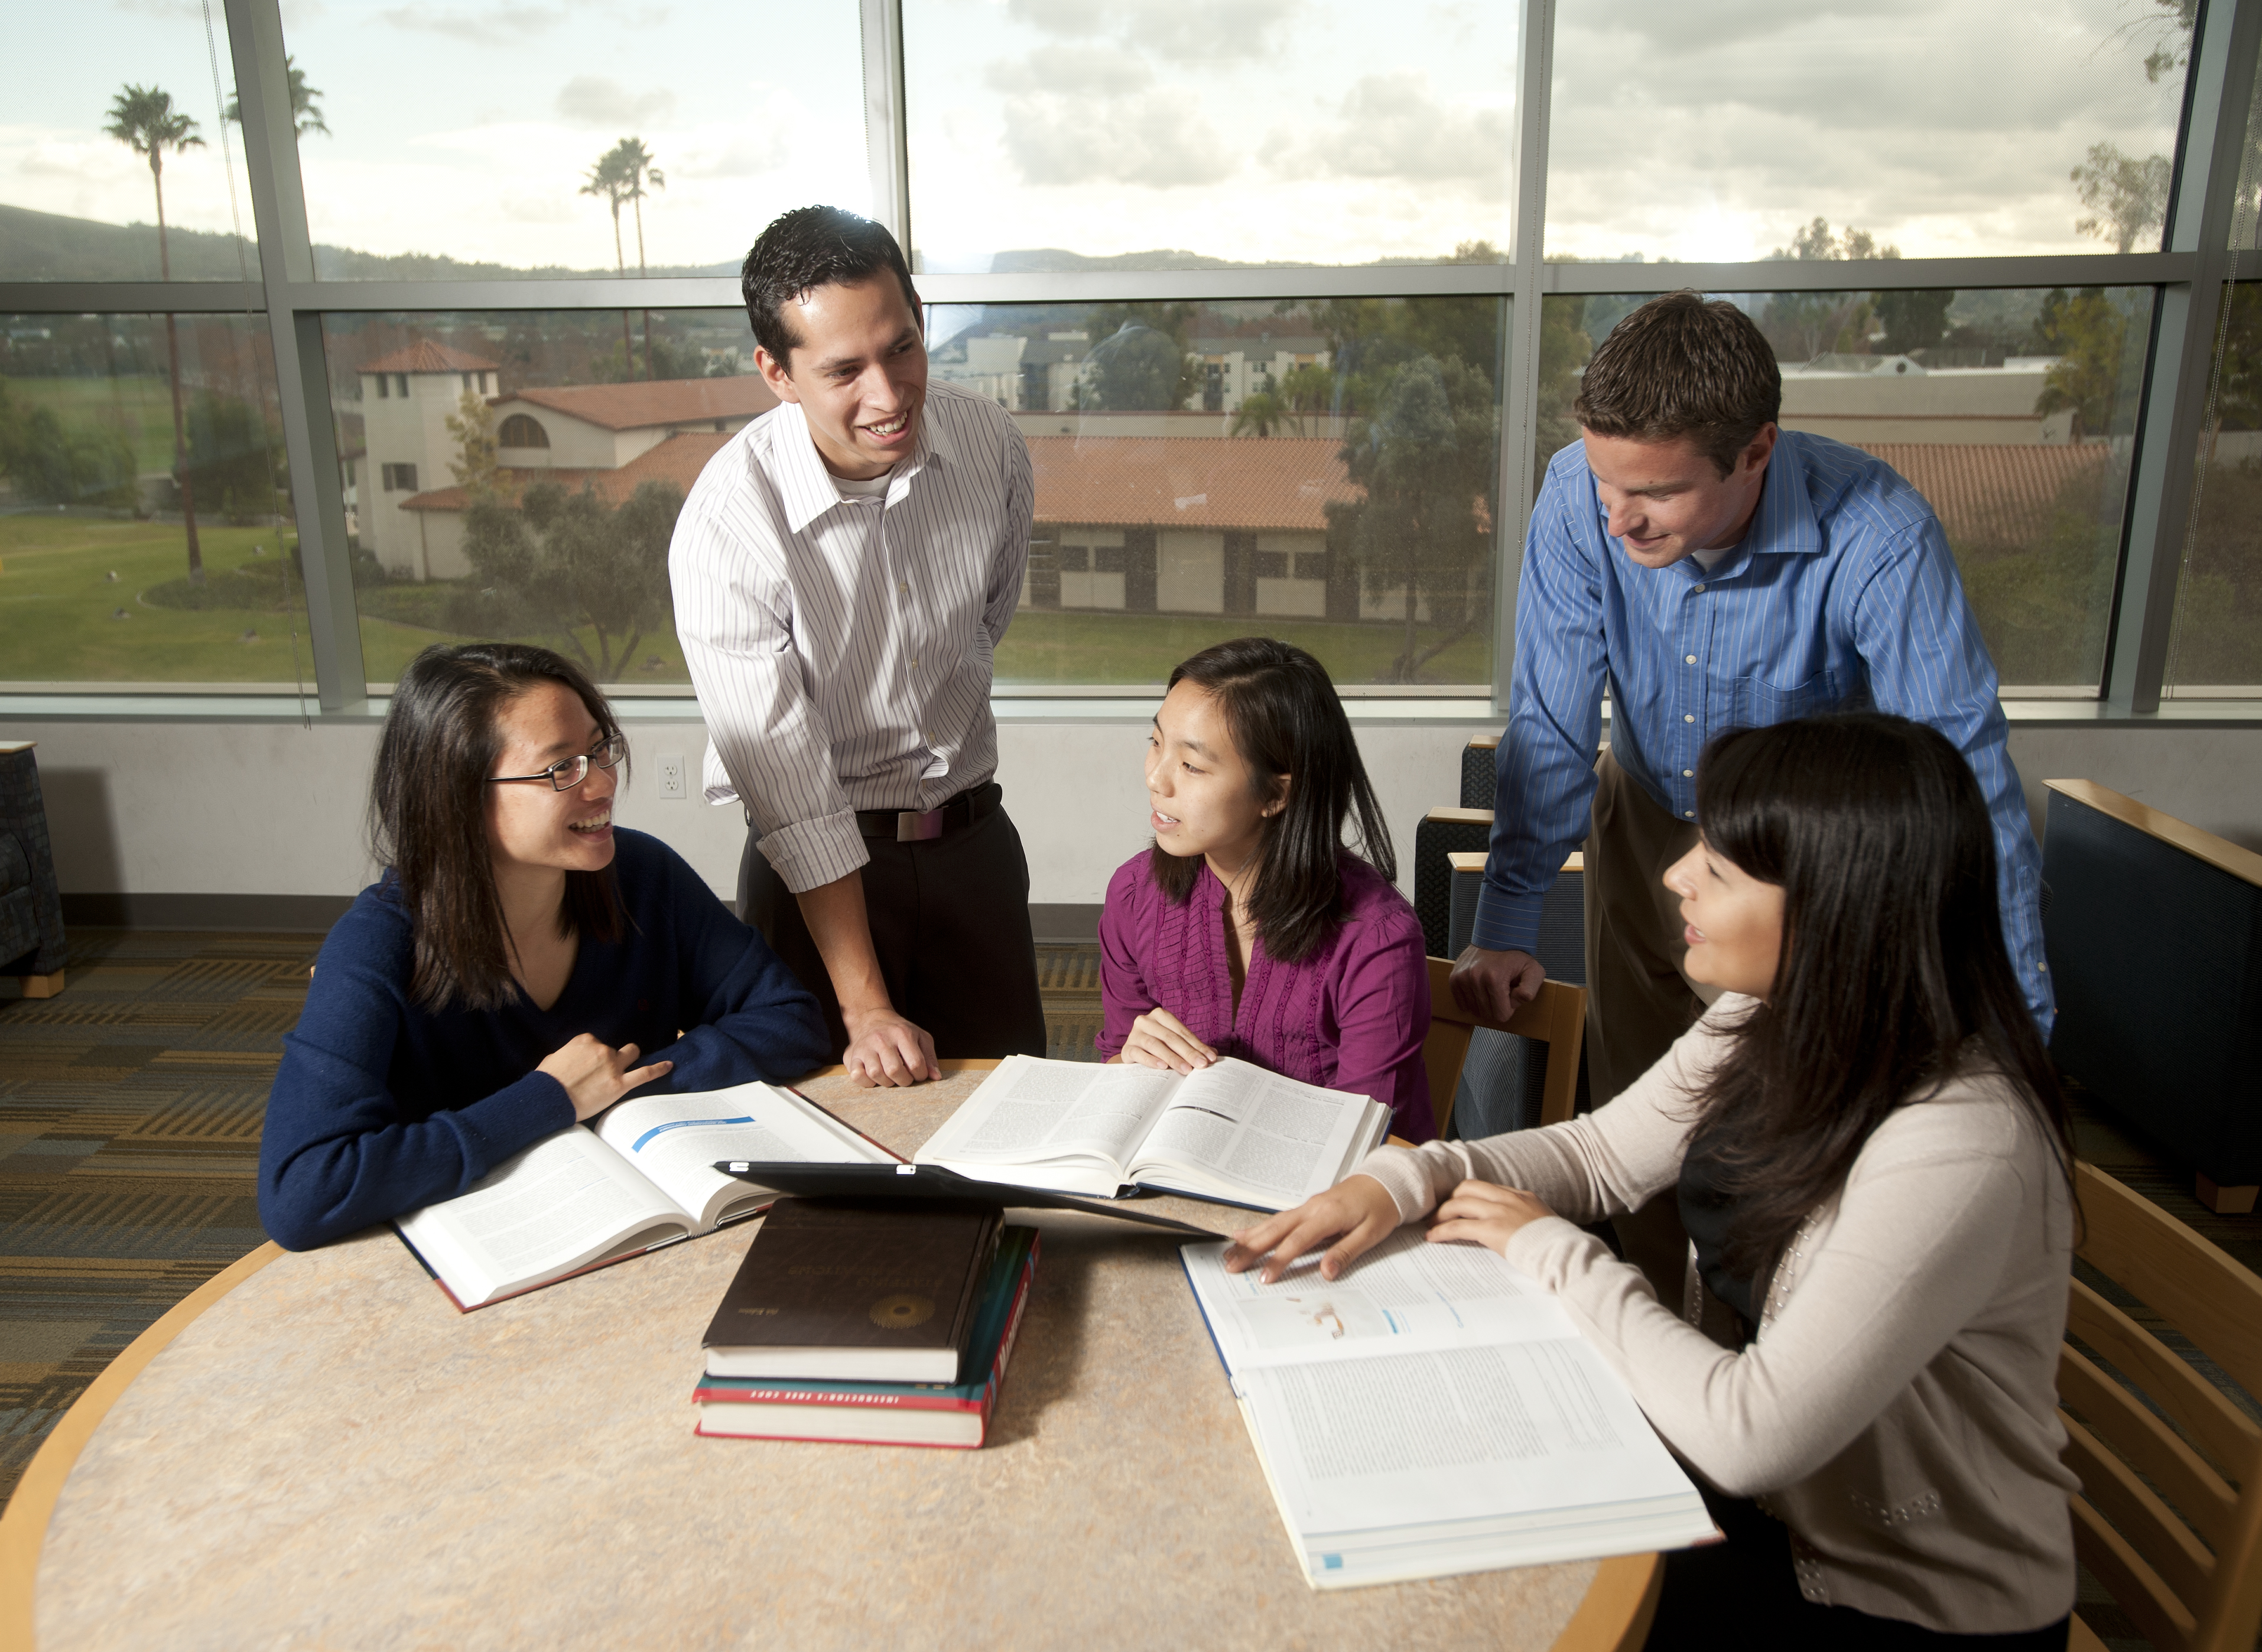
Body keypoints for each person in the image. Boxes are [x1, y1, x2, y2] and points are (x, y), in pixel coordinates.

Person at [1227, 713, 2077, 1648]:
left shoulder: (1961, 1142)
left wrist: (1548, 1248)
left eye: (1719, 865)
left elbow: (1751, 1434)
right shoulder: (1765, 1017)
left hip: (1897, 1597)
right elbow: (1598, 1155)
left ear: (1842, 903)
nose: (1677, 873)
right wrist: (1407, 1179)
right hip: (1765, 1516)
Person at [1452, 290, 2053, 1297]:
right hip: (1640, 817)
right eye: (1605, 481)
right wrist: (1508, 917)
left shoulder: (1881, 536)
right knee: (1631, 1116)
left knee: (1773, 1159)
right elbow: (1551, 719)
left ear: (1754, 451)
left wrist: (2017, 1051)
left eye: (1656, 492)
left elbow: (1970, 797)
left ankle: (1765, 1367)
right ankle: (1630, 1366)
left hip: (1793, 871)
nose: (1617, 516)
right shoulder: (1576, 494)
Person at [258, 643, 829, 1250]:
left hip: (632, 1225)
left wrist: (615, 1085)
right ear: (458, 795)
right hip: (473, 1253)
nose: (603, 781)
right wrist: (550, 1100)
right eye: (562, 769)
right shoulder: (376, 944)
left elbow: (792, 1021)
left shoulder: (642, 874)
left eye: (600, 750)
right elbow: (304, 1191)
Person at [670, 204, 1046, 1088]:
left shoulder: (988, 442)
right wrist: (865, 1002)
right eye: (845, 370)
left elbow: (987, 620)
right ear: (777, 372)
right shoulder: (730, 524)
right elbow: (791, 794)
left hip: (973, 846)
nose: (889, 395)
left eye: (903, 348)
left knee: (1011, 1125)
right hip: (818, 880)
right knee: (830, 1153)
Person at [1099, 638, 1435, 1142]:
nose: (1156, 777)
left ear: (1276, 793)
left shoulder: (1376, 939)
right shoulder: (1133, 894)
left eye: (1191, 765)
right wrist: (1126, 1061)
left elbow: (1366, 1148)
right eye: (1156, 742)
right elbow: (1117, 1080)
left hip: (1332, 1205)